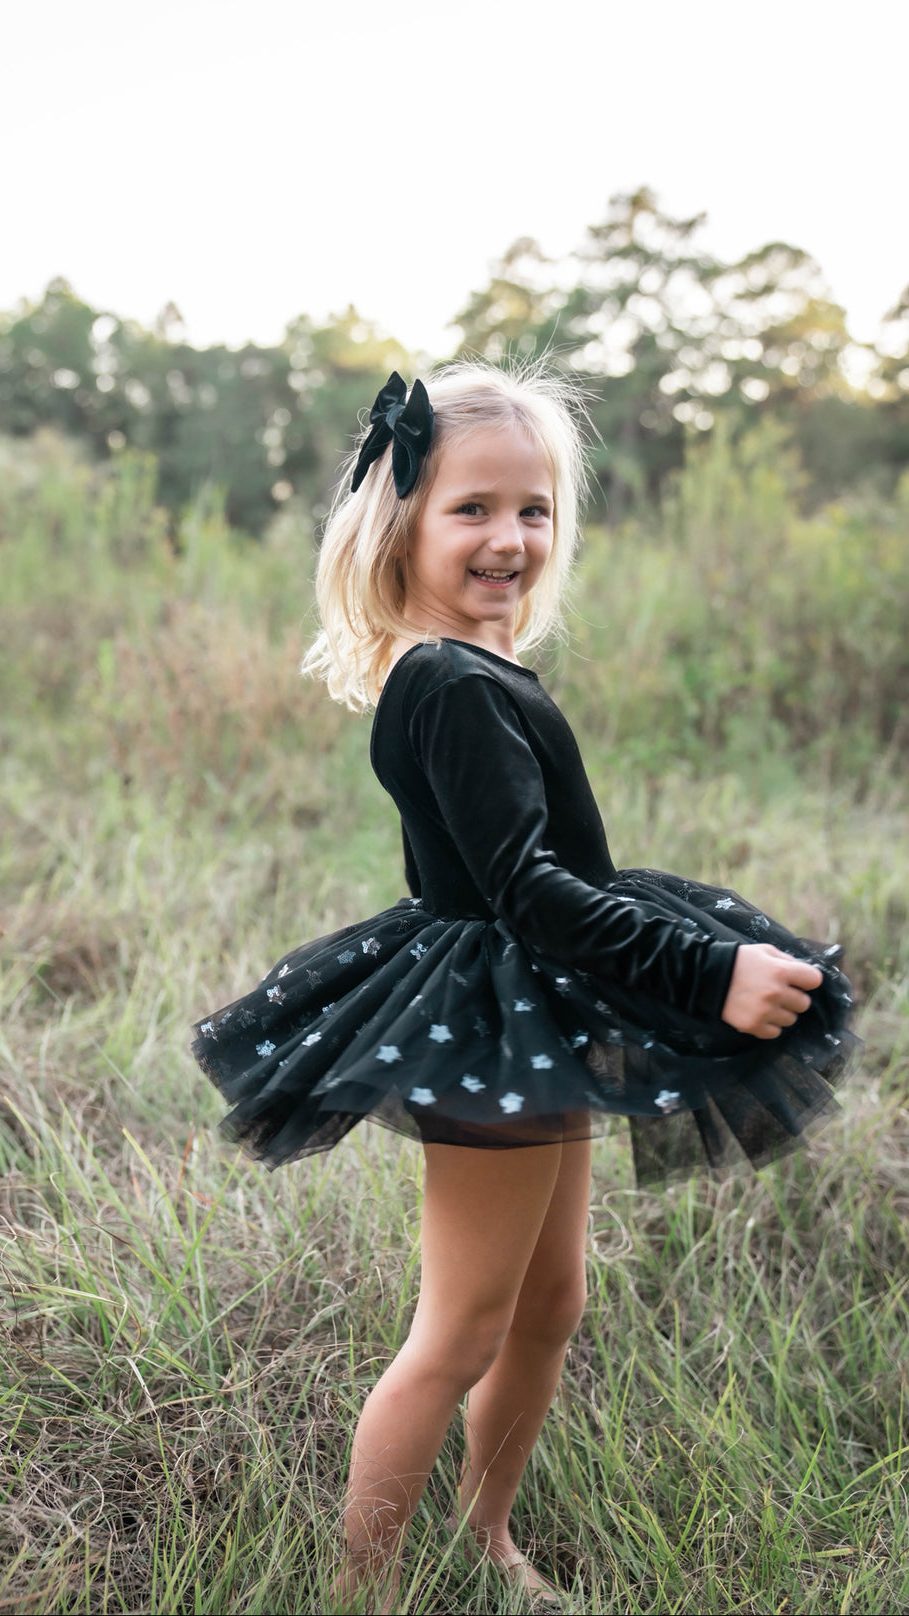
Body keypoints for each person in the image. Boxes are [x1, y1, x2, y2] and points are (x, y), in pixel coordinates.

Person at [192, 362, 855, 1611]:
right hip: (490, 1011)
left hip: (533, 1002)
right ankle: (362, 1586)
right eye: (471, 509)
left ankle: (488, 1537)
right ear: (403, 525)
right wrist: (707, 966)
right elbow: (528, 891)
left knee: (550, 1301)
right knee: (458, 1329)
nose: (509, 537)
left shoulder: (475, 666)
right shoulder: (442, 680)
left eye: (533, 509)